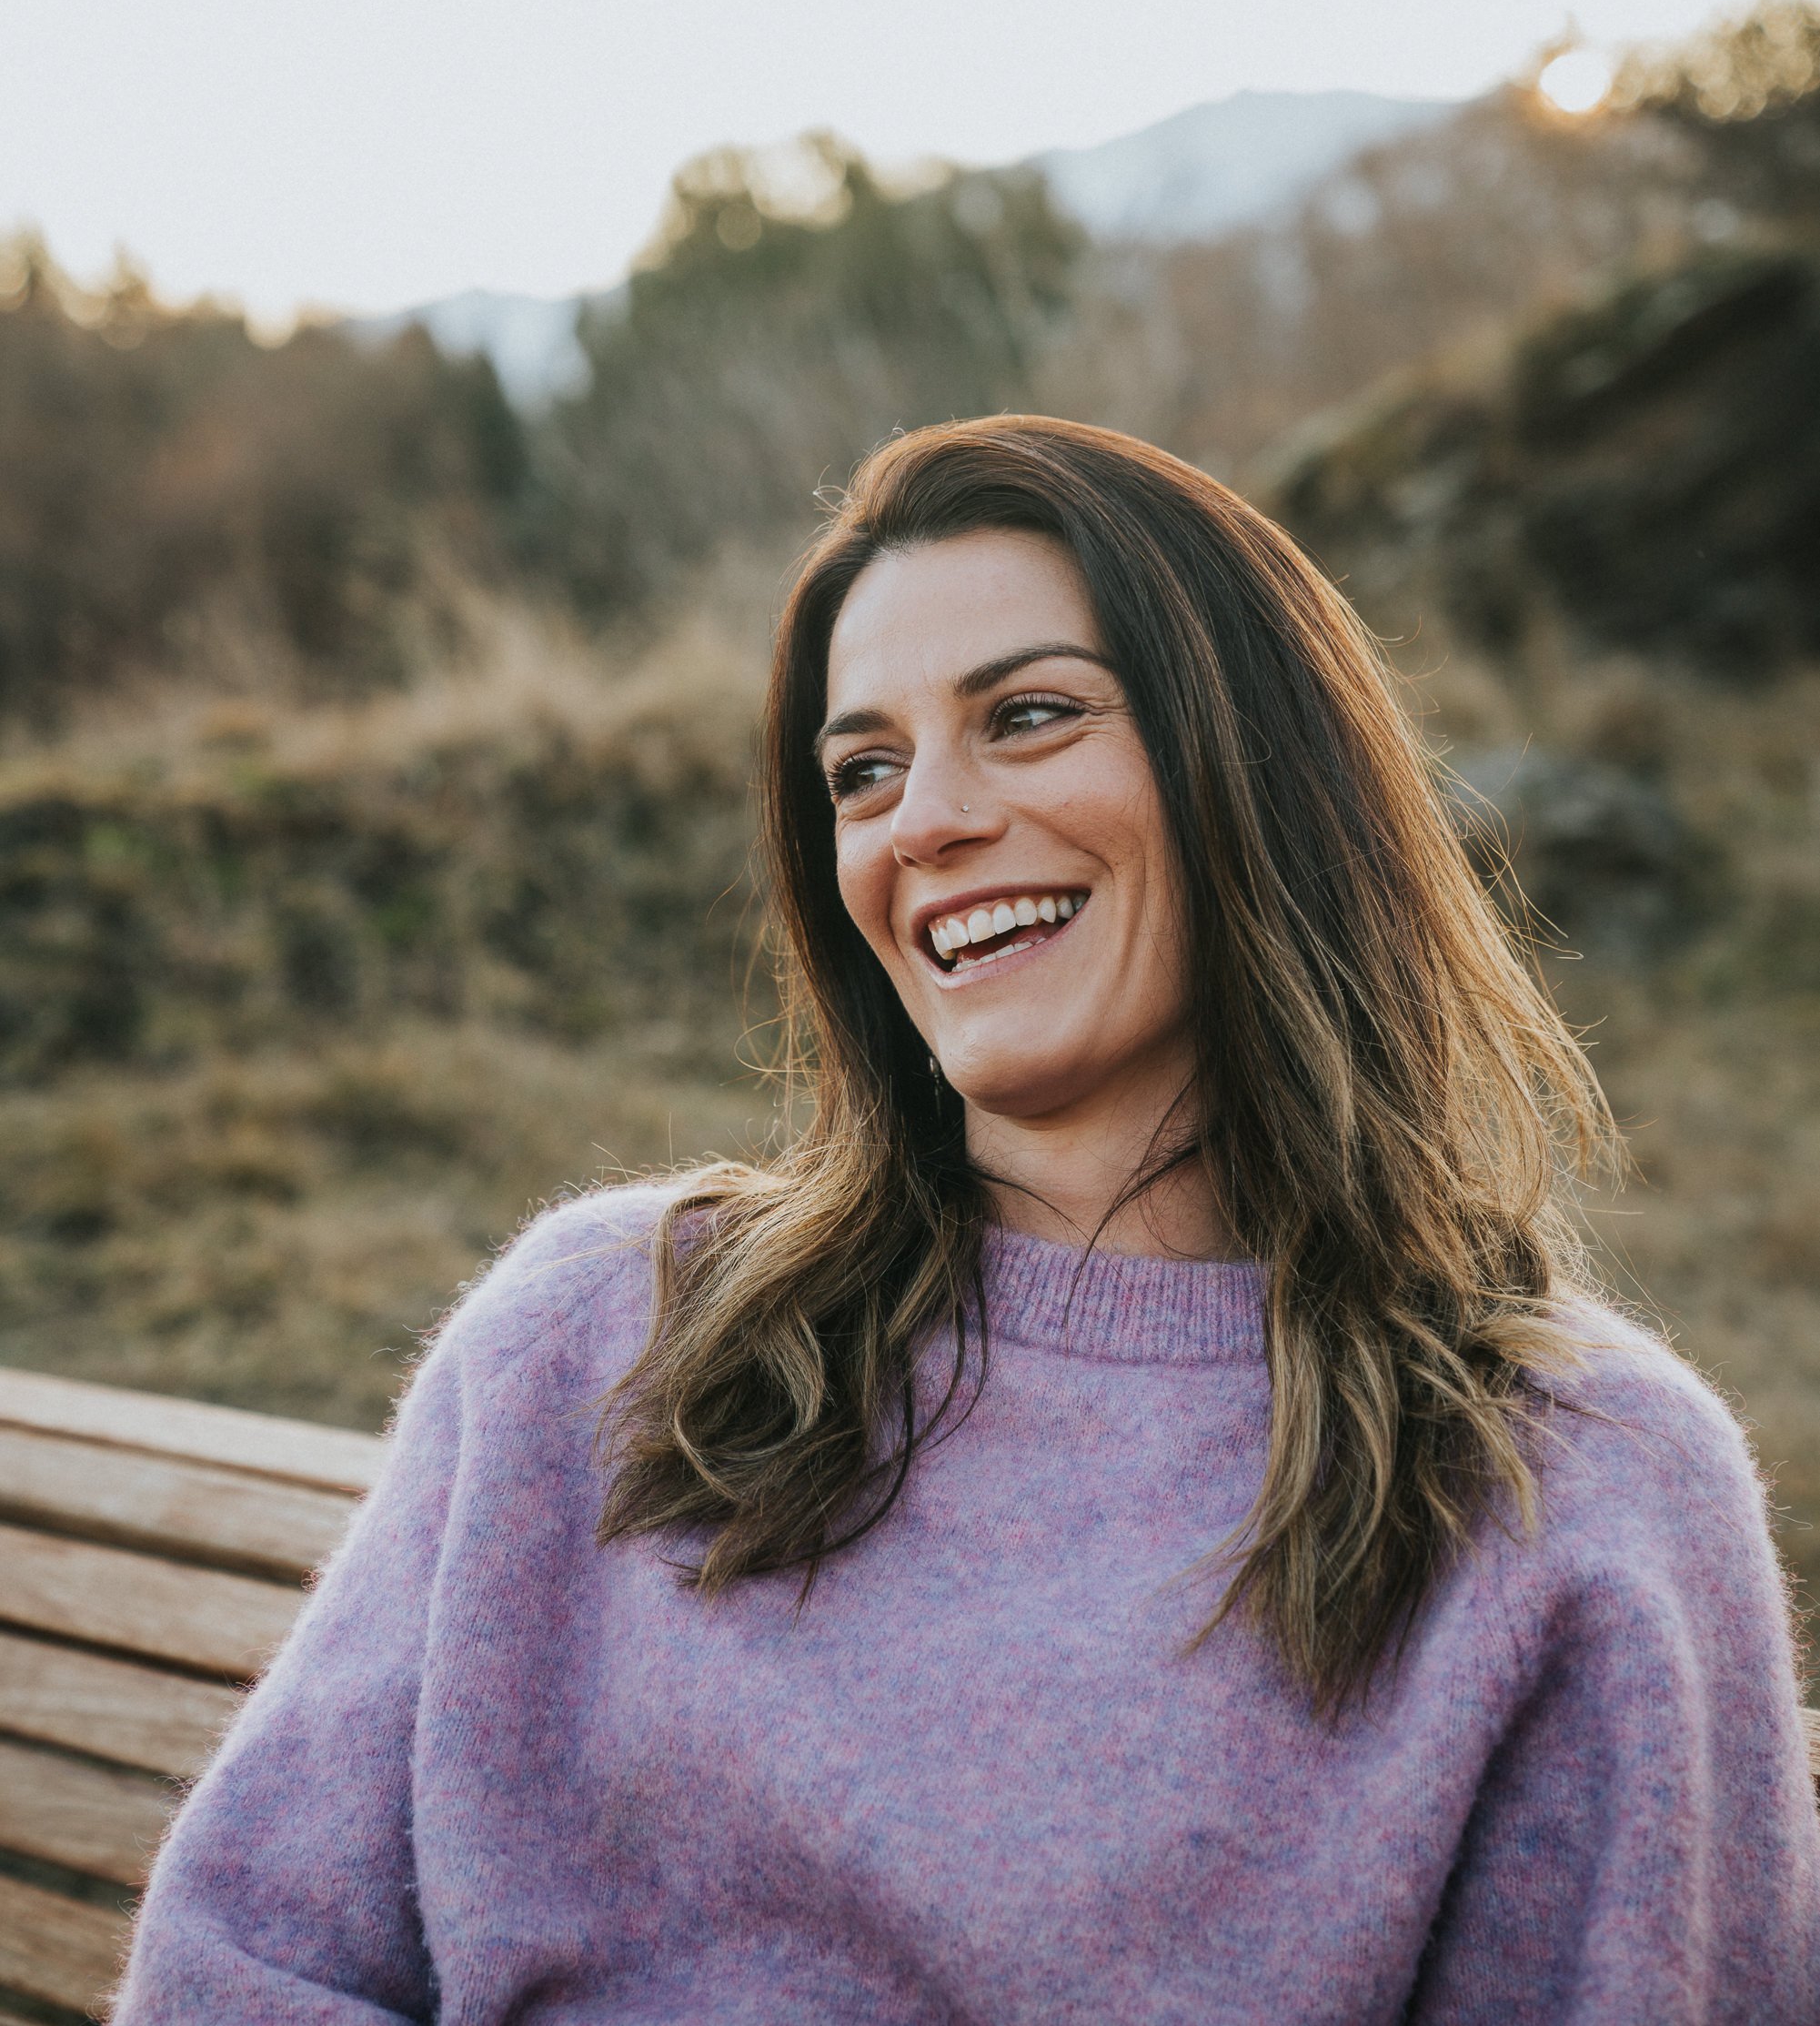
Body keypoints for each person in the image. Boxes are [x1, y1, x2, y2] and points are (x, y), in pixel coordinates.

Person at [116, 416, 1820, 2023]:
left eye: (1027, 716)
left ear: (1258, 771)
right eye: (862, 769)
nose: (920, 821)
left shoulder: (1569, 1486)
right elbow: (245, 1963)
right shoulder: (602, 1334)